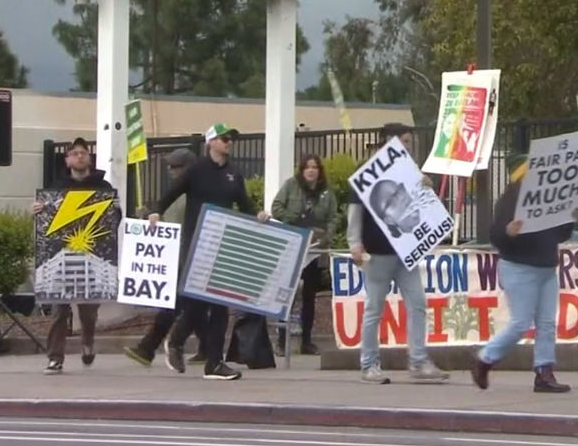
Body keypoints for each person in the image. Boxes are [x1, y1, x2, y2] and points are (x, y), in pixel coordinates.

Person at [146, 124, 268, 381]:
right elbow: (170, 194)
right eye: (224, 139)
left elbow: (244, 203)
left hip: (222, 245)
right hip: (198, 243)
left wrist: (257, 213)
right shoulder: (196, 170)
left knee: (219, 305)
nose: (229, 143)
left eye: (232, 139)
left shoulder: (234, 174)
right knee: (199, 303)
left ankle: (212, 362)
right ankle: (181, 344)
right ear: (211, 142)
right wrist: (155, 211)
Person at [350, 122, 449, 385]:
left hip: (406, 253)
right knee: (374, 310)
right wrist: (354, 243)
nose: (409, 146)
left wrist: (426, 186)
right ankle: (369, 365)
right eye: (405, 141)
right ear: (391, 142)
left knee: (417, 304)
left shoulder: (409, 171)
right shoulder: (366, 173)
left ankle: (418, 361)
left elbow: (422, 205)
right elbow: (355, 212)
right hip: (378, 254)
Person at [471, 153, 574, 394]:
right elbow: (496, 237)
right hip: (519, 267)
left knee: (547, 323)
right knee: (520, 323)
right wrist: (508, 232)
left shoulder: (548, 196)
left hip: (546, 267)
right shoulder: (509, 200)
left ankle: (544, 372)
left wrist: (569, 218)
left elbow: (561, 235)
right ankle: (485, 358)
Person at [33, 137, 117, 376]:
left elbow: (113, 220)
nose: (80, 156)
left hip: (92, 256)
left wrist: (115, 210)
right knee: (60, 309)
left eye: (83, 153)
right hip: (63, 255)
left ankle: (87, 342)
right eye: (75, 153)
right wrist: (37, 213)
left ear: (89, 158)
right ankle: (55, 357)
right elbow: (46, 225)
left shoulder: (103, 187)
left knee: (88, 311)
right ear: (67, 160)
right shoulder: (56, 188)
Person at [122, 147, 207, 368]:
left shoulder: (190, 195)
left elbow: (177, 225)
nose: (170, 170)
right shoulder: (180, 193)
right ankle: (205, 348)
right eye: (170, 166)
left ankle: (148, 348)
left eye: (175, 166)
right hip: (179, 258)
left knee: (176, 306)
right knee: (189, 306)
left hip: (185, 258)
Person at [269, 154, 338, 356]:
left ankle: (306, 341)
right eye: (307, 167)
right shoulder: (291, 185)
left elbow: (334, 217)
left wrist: (326, 236)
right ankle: (282, 341)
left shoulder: (326, 191)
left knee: (309, 295)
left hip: (315, 246)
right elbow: (276, 208)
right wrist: (295, 218)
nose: (311, 170)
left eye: (315, 167)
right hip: (293, 241)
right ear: (301, 169)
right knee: (287, 293)